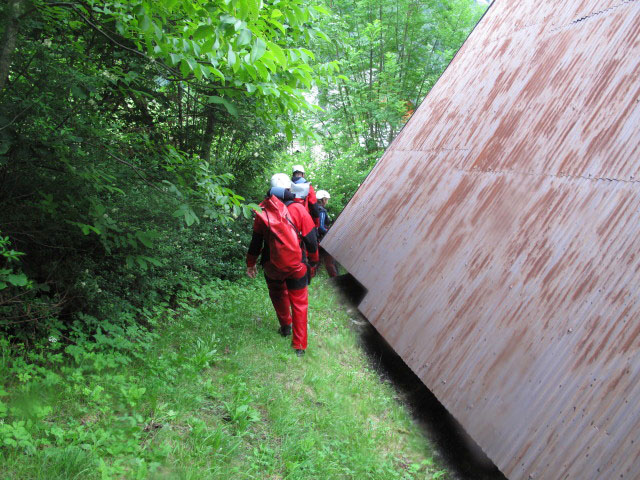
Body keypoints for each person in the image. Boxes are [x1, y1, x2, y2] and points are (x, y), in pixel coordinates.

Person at [246, 173, 319, 356]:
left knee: (278, 295)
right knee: (300, 303)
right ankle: (299, 346)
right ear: (289, 189)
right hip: (297, 265)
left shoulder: (263, 210)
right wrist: (314, 261)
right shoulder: (299, 209)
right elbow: (311, 240)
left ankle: (286, 327)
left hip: (272, 265)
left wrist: (250, 263)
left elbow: (256, 242)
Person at [315, 189, 338, 277]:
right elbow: (321, 227)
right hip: (322, 239)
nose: (327, 201)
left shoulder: (314, 208)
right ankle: (335, 279)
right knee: (330, 262)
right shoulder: (321, 210)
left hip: (316, 238)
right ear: (323, 199)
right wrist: (330, 233)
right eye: (327, 199)